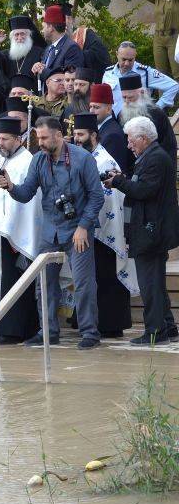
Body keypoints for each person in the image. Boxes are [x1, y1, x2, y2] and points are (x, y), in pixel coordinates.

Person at [0, 116, 104, 349]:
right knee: (43, 283)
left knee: (84, 283)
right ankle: (48, 330)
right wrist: (11, 186)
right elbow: (26, 193)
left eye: (45, 137)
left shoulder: (82, 158)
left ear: (58, 134)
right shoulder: (38, 160)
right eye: (38, 137)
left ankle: (90, 333)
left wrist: (84, 227)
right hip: (50, 230)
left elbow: (97, 197)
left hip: (78, 228)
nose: (41, 142)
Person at [107, 116, 179, 344]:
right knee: (154, 283)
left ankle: (154, 332)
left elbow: (144, 190)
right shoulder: (151, 157)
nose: (128, 145)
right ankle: (167, 327)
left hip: (151, 231)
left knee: (150, 285)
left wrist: (119, 182)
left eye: (131, 140)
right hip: (150, 229)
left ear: (143, 138)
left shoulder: (156, 158)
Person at [72, 113, 137, 338]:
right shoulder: (83, 157)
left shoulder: (105, 161)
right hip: (88, 227)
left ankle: (110, 324)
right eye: (75, 134)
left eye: (81, 134)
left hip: (105, 229)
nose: (77, 139)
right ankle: (93, 322)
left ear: (94, 135)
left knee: (107, 277)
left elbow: (107, 197)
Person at [0, 117, 41, 344]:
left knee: (13, 280)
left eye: (5, 139)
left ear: (18, 139)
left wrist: (13, 227)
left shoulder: (27, 161)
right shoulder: (2, 160)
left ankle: (14, 330)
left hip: (14, 234)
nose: (1, 143)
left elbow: (28, 198)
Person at [102, 41, 178, 116]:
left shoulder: (145, 72)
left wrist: (157, 108)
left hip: (138, 121)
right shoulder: (108, 73)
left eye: (130, 60)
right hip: (114, 121)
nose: (127, 63)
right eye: (124, 59)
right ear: (117, 54)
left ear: (135, 56)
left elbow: (173, 86)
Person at [117, 74, 178, 163]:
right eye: (124, 97)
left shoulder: (156, 114)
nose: (127, 102)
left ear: (142, 93)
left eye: (130, 97)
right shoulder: (121, 115)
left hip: (155, 164)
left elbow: (168, 145)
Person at [31, 5, 84, 88]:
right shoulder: (48, 48)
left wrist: (43, 71)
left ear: (50, 27)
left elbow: (70, 79)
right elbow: (44, 73)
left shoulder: (72, 48)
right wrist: (37, 67)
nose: (42, 30)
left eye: (43, 27)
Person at [88, 83, 134, 175]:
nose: (91, 111)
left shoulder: (112, 135)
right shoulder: (103, 128)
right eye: (90, 107)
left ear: (108, 109)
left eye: (96, 107)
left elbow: (110, 169)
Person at [0, 16, 46, 83]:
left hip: (32, 92)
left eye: (22, 34)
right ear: (12, 37)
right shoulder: (5, 54)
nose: (19, 38)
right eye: (16, 34)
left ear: (29, 35)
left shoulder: (39, 52)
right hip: (10, 92)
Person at [138, 0, 179, 78]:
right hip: (159, 39)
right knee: (160, 74)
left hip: (174, 38)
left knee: (177, 73)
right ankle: (163, 92)